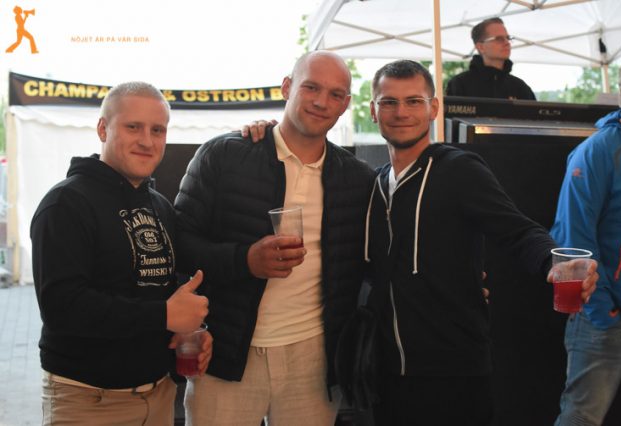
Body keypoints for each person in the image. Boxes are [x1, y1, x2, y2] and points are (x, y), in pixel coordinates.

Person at [364, 59, 597, 425]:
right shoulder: (375, 184)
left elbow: (517, 229)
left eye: (414, 101)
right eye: (389, 102)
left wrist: (554, 262)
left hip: (453, 370)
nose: (401, 112)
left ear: (433, 108)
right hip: (386, 373)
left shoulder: (458, 169)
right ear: (373, 111)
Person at [174, 51, 375, 425]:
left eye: (335, 94)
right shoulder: (224, 155)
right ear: (287, 87)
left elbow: (374, 261)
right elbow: (179, 244)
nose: (321, 102)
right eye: (311, 87)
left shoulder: (358, 179)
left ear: (346, 104)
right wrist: (245, 260)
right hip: (228, 351)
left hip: (314, 360)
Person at [31, 81, 212, 426]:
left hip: (158, 396)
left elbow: (157, 292)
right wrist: (163, 315)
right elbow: (62, 308)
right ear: (103, 129)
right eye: (133, 127)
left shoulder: (160, 206)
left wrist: (188, 330)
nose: (147, 141)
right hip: (88, 401)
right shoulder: (65, 203)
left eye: (157, 130)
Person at [551, 53, 621, 426]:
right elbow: (573, 236)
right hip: (607, 318)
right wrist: (603, 311)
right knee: (581, 418)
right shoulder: (599, 149)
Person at [446, 17, 535, 100]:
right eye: (499, 39)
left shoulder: (520, 88)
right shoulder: (460, 84)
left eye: (508, 38)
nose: (507, 43)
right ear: (481, 47)